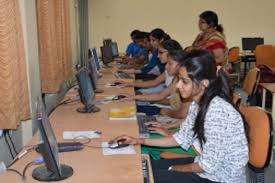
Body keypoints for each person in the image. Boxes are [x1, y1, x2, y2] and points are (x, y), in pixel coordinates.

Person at [111, 50, 248, 183]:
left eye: (184, 81)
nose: (178, 85)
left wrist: (174, 169)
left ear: (204, 83)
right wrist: (139, 141)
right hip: (203, 167)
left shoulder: (218, 112)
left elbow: (207, 166)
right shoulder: (198, 102)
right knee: (138, 169)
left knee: (140, 178)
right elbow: (181, 137)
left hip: (219, 178)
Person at [116, 39, 182, 94]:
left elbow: (172, 102)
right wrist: (128, 83)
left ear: (171, 52)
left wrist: (146, 99)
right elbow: (154, 82)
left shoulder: (178, 72)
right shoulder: (168, 68)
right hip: (160, 98)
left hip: (164, 104)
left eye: (161, 53)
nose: (158, 56)